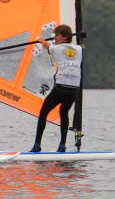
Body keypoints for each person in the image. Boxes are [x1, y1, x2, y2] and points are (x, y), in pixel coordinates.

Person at [30, 24, 83, 153]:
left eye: (57, 36)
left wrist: (42, 41)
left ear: (65, 37)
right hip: (74, 89)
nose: (55, 38)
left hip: (62, 88)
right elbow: (61, 47)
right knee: (63, 112)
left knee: (43, 112)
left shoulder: (57, 49)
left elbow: (48, 46)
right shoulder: (79, 49)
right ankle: (62, 145)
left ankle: (37, 145)